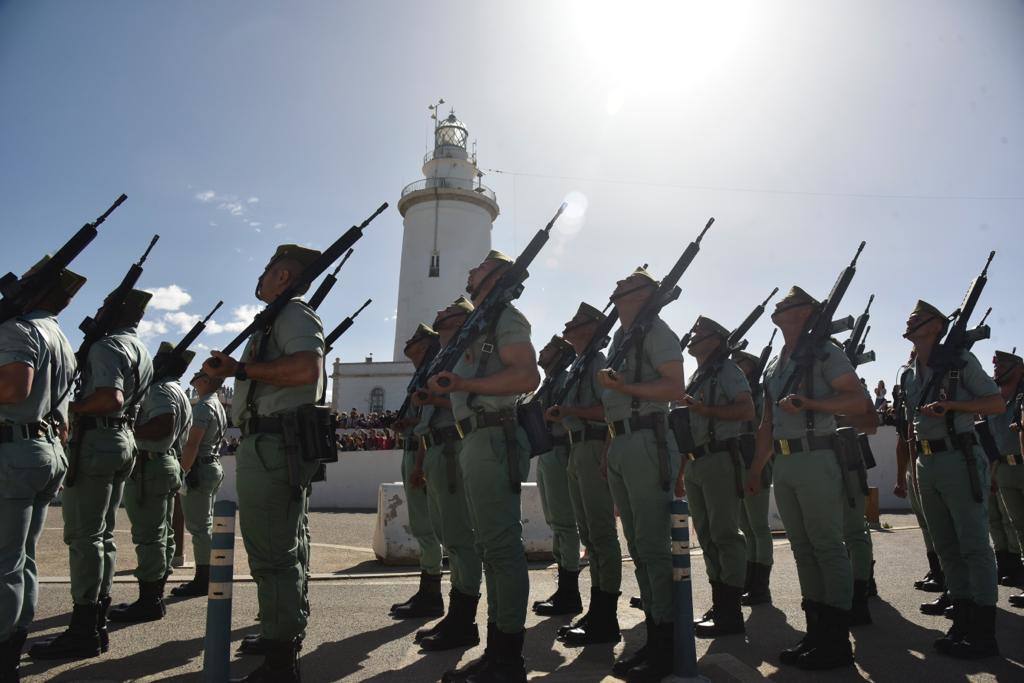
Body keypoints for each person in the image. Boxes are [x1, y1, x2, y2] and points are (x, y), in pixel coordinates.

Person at [201, 244, 326, 682]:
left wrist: (243, 370)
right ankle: (280, 633)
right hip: (271, 443)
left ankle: (280, 658)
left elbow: (307, 369)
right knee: (281, 549)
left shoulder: (292, 312)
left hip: (273, 445)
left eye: (268, 267)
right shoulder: (278, 317)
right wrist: (233, 371)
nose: (262, 273)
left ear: (283, 275)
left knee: (273, 555)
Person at [427, 250, 539, 683]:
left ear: (495, 276)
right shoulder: (480, 322)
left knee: (501, 548)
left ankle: (507, 659)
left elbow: (527, 376)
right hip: (476, 436)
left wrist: (466, 384)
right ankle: (497, 652)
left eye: (478, 267)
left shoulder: (506, 318)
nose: (469, 271)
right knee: (491, 548)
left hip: (494, 436)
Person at [744, 286, 867, 670]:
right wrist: (755, 468)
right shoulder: (776, 363)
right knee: (803, 549)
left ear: (804, 312)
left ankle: (835, 640)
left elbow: (858, 402)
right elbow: (767, 422)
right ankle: (816, 633)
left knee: (828, 547)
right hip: (785, 462)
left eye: (785, 305)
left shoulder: (827, 353)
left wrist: (812, 404)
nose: (777, 308)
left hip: (816, 455)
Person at [30, 288, 153, 661]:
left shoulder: (106, 347)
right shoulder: (140, 349)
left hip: (98, 440)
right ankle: (96, 621)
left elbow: (109, 398)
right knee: (103, 536)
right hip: (122, 439)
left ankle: (84, 628)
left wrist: (70, 407)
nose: (97, 313)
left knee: (84, 537)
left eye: (103, 306)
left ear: (114, 312)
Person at [898, 299, 1003, 659]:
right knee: (945, 545)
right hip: (927, 461)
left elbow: (995, 403)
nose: (909, 321)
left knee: (973, 545)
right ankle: (962, 621)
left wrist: (955, 407)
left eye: (916, 318)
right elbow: (910, 425)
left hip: (958, 456)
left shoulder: (960, 363)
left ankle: (984, 634)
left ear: (935, 326)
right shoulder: (909, 371)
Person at [596, 267, 684, 681]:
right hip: (624, 443)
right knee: (638, 547)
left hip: (648, 442)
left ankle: (667, 648)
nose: (615, 286)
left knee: (652, 547)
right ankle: (654, 638)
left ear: (642, 293)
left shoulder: (656, 330)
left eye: (623, 283)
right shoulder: (622, 335)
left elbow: (673, 388)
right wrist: (612, 445)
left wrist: (626, 389)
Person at [0, 258, 83, 679]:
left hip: (12, 454)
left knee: (4, 562)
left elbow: (14, 387)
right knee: (22, 559)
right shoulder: (60, 338)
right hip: (43, 450)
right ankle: (13, 645)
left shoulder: (18, 329)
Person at [549, 302, 623, 647]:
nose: (568, 324)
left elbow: (608, 409)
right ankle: (597, 609)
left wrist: (570, 410)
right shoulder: (581, 364)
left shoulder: (597, 363)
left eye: (577, 322)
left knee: (601, 535)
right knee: (589, 538)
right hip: (577, 448)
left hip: (593, 446)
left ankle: (606, 616)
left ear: (592, 329)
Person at [411, 296, 483, 652]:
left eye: (446, 312)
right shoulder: (444, 355)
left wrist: (433, 398)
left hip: (453, 447)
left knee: (460, 537)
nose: (438, 313)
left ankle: (463, 620)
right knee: (447, 535)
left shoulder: (464, 354)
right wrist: (422, 460)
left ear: (461, 319)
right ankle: (456, 615)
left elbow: (465, 402)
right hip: (436, 447)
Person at [679, 316, 755, 638]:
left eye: (699, 334)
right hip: (697, 461)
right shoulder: (699, 374)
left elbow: (747, 410)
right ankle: (720, 604)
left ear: (715, 339)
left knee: (725, 533)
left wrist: (705, 411)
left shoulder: (727, 371)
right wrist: (682, 470)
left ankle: (731, 612)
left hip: (720, 457)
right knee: (707, 535)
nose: (692, 338)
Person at [108, 342, 193, 623]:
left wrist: (126, 428)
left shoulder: (159, 390)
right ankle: (154, 595)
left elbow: (162, 425)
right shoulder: (178, 390)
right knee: (163, 535)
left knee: (149, 536)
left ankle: (149, 601)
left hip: (150, 465)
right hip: (165, 463)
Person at [389, 323, 444, 620]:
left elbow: (429, 420)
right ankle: (428, 590)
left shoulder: (429, 373)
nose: (408, 343)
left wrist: (420, 464)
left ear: (424, 345)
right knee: (424, 527)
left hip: (420, 452)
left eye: (414, 338)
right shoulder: (421, 373)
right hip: (413, 450)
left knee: (427, 527)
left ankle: (432, 594)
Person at [531, 335, 583, 618]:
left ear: (560, 354)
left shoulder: (563, 381)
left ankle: (570, 592)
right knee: (556, 522)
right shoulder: (549, 383)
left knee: (564, 523)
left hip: (560, 451)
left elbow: (571, 416)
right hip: (547, 452)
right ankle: (563, 588)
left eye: (548, 347)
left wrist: (556, 418)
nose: (542, 350)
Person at [170, 370, 228, 598]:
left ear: (205, 381)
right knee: (205, 524)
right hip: (211, 465)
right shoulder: (216, 404)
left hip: (200, 468)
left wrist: (182, 472)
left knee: (199, 527)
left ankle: (204, 578)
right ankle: (207, 574)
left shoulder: (204, 406)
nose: (194, 376)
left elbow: (192, 443)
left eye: (199, 374)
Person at [731, 349, 773, 605]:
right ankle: (750, 580)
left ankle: (760, 586)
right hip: (738, 461)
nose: (737, 367)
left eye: (741, 363)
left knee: (758, 527)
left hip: (756, 461)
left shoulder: (760, 395)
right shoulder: (736, 394)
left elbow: (763, 429)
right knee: (746, 527)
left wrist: (757, 468)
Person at [987, 350, 1024, 604]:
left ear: (1018, 368)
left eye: (1002, 365)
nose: (997, 370)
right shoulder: (996, 401)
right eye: (996, 366)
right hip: (1003, 467)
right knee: (1019, 527)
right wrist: (992, 473)